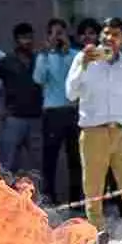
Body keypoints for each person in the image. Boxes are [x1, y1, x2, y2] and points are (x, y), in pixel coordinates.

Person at [66, 17, 122, 233]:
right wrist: (83, 66)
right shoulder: (84, 58)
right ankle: (96, 236)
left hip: (121, 132)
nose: (110, 38)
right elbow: (71, 93)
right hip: (94, 131)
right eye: (106, 33)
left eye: (115, 34)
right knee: (94, 191)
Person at [0, 23, 44, 177]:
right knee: (7, 165)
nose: (28, 41)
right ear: (16, 40)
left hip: (36, 119)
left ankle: (41, 199)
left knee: (38, 165)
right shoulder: (6, 61)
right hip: (13, 120)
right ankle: (8, 199)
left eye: (30, 37)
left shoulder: (40, 60)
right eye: (24, 38)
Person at [33, 18, 82, 206]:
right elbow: (39, 79)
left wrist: (67, 51)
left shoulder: (75, 55)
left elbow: (78, 78)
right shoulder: (44, 56)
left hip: (72, 111)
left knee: (75, 158)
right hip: (52, 112)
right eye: (54, 33)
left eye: (61, 32)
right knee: (50, 157)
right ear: (48, 36)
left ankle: (76, 199)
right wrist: (47, 54)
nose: (58, 37)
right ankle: (49, 198)